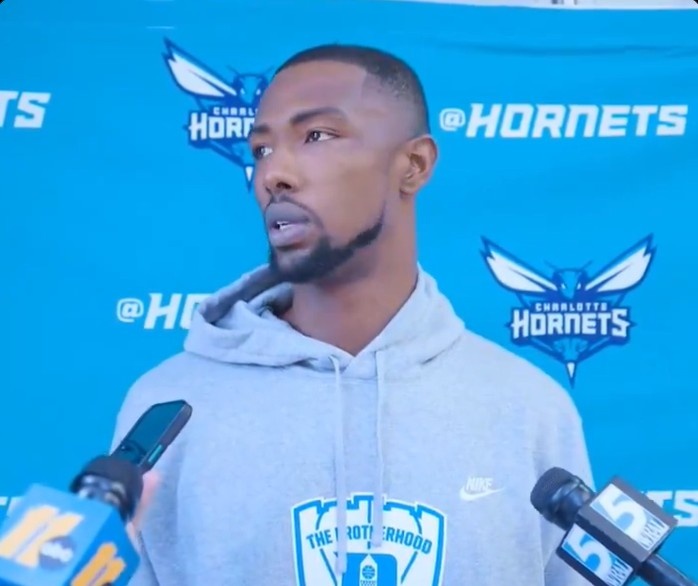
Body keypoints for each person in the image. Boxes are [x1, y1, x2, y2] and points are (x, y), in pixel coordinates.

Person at [112, 43, 595, 586]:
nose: (274, 174)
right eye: (262, 149)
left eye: (316, 136)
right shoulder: (168, 410)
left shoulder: (529, 408)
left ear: (414, 165)